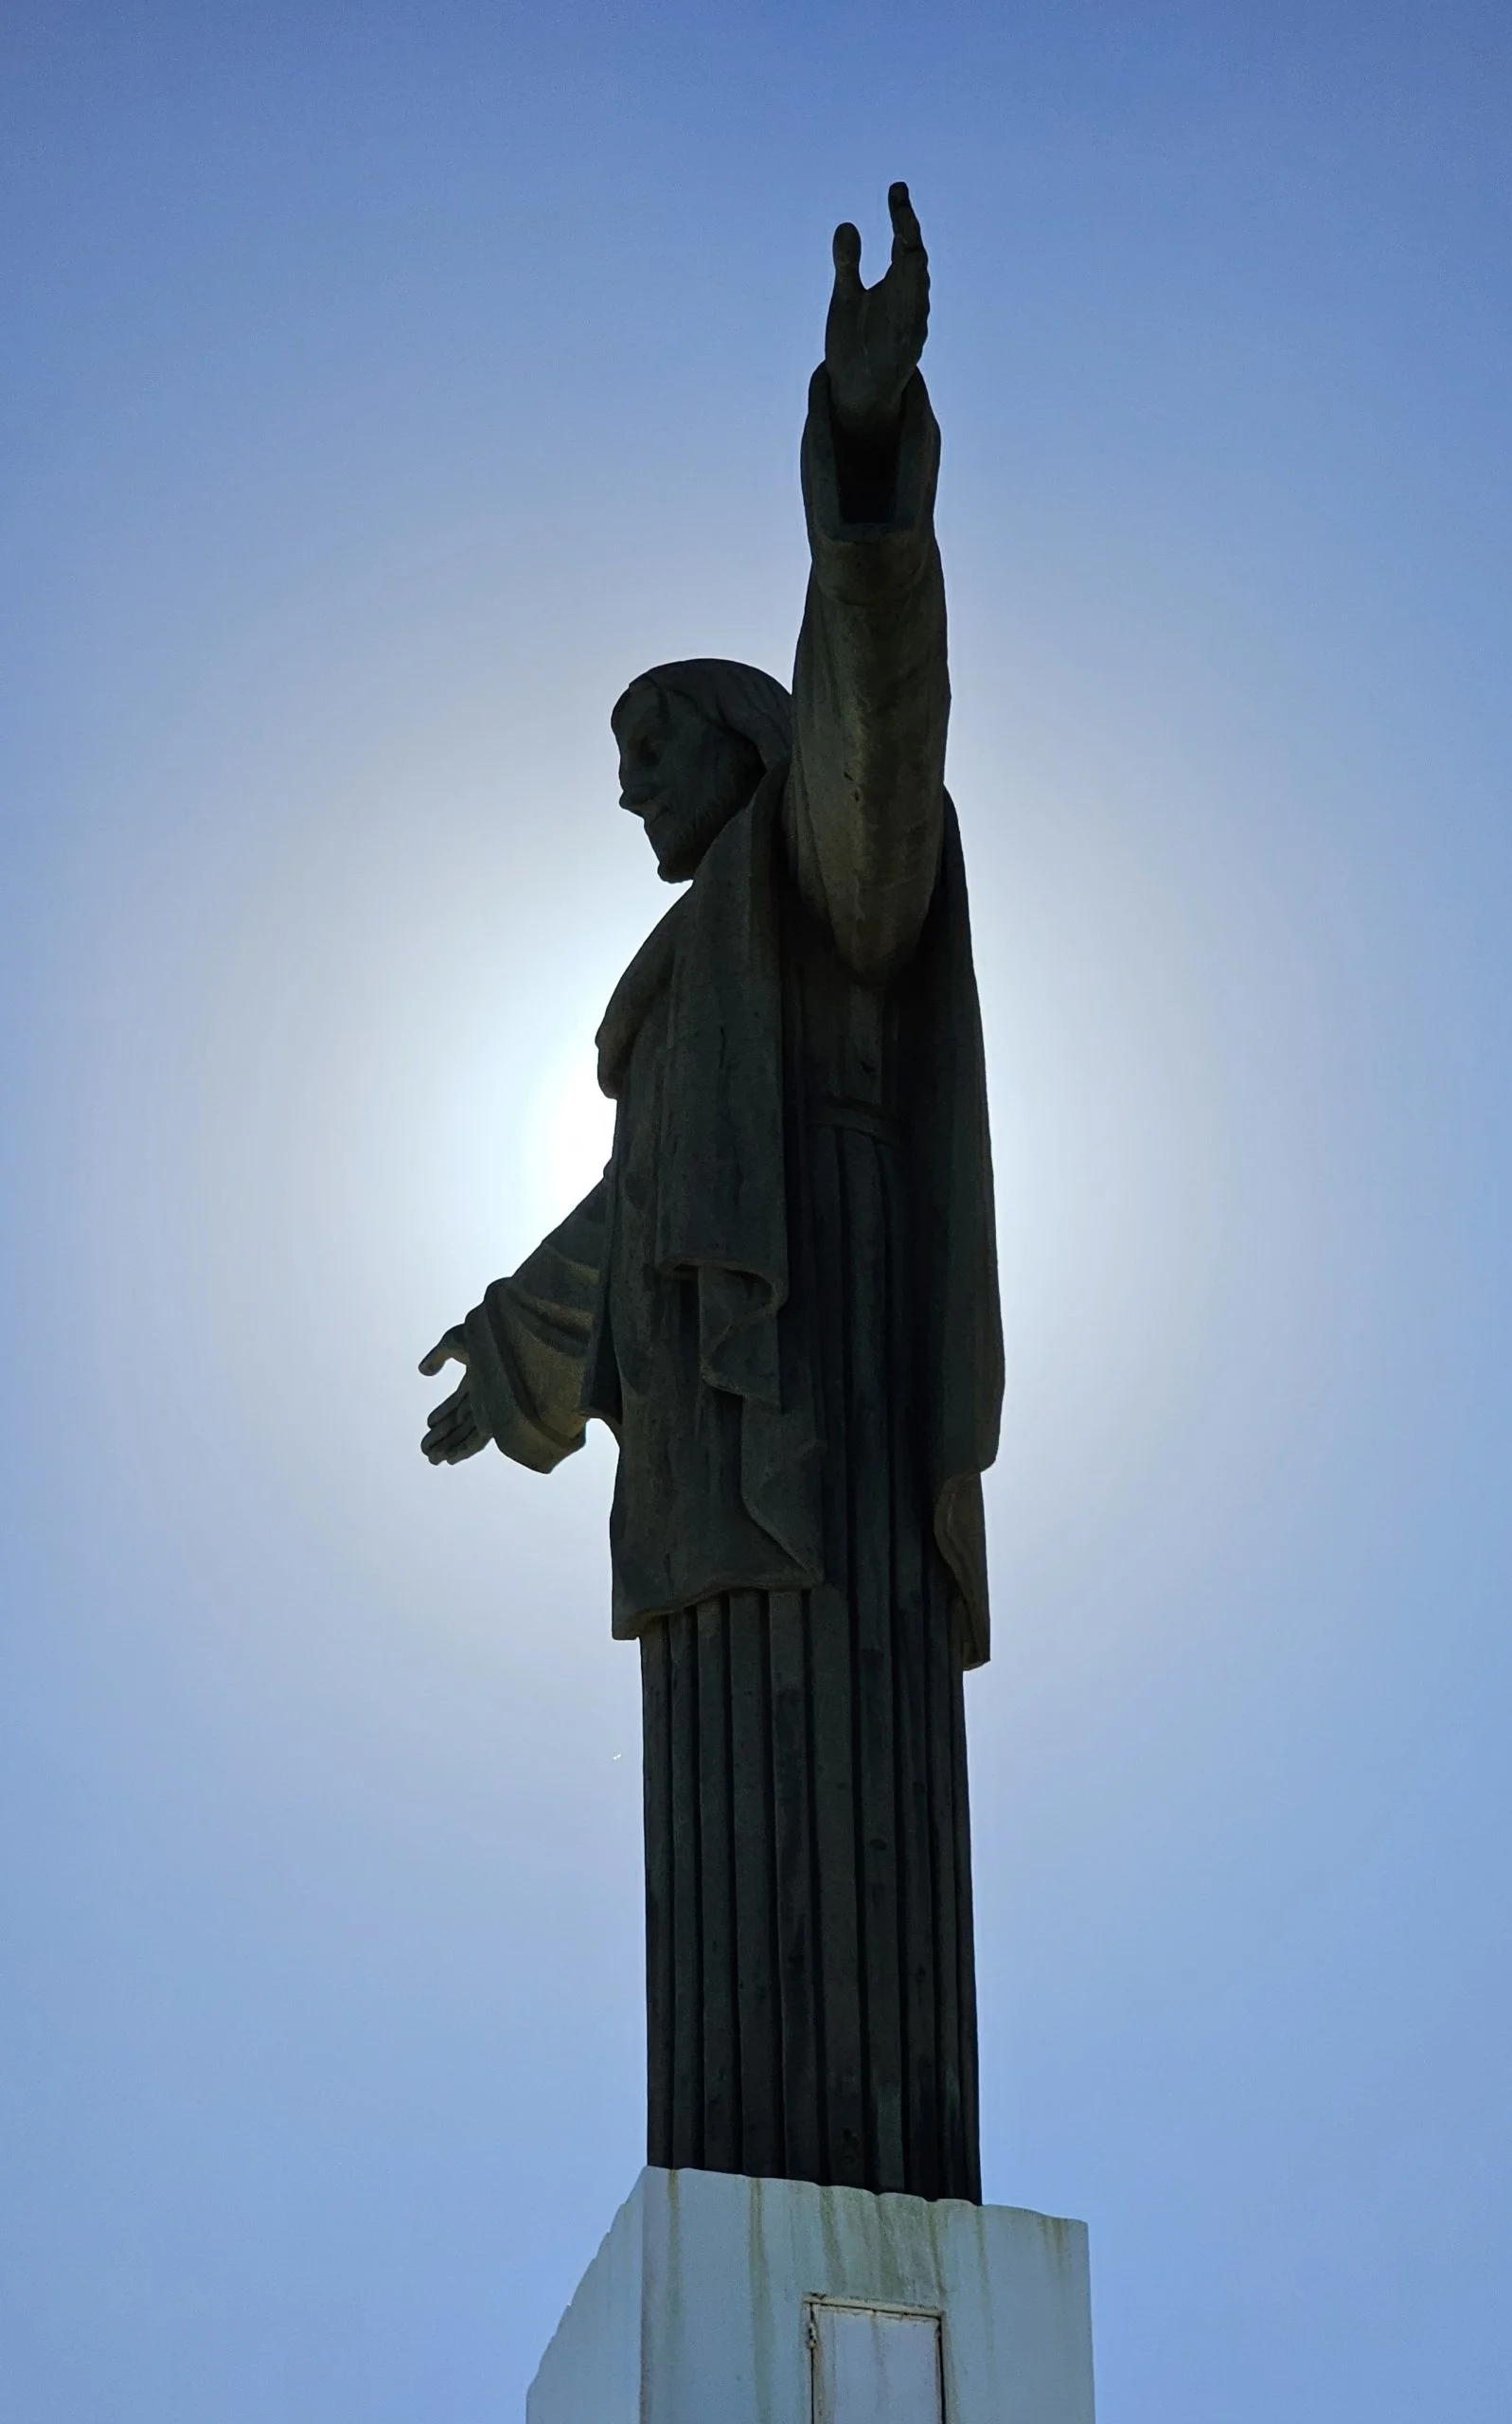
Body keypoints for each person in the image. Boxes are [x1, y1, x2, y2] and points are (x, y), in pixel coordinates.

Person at [418, 185, 1001, 2204]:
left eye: (650, 749)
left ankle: (878, 2203)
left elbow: (880, 722)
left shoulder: (832, 869)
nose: (627, 789)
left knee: (849, 1763)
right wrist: (519, 1340)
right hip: (694, 1424)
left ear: (745, 749)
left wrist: (865, 464)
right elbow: (638, 1199)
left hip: (822, 1353)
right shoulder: (676, 990)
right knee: (717, 1805)